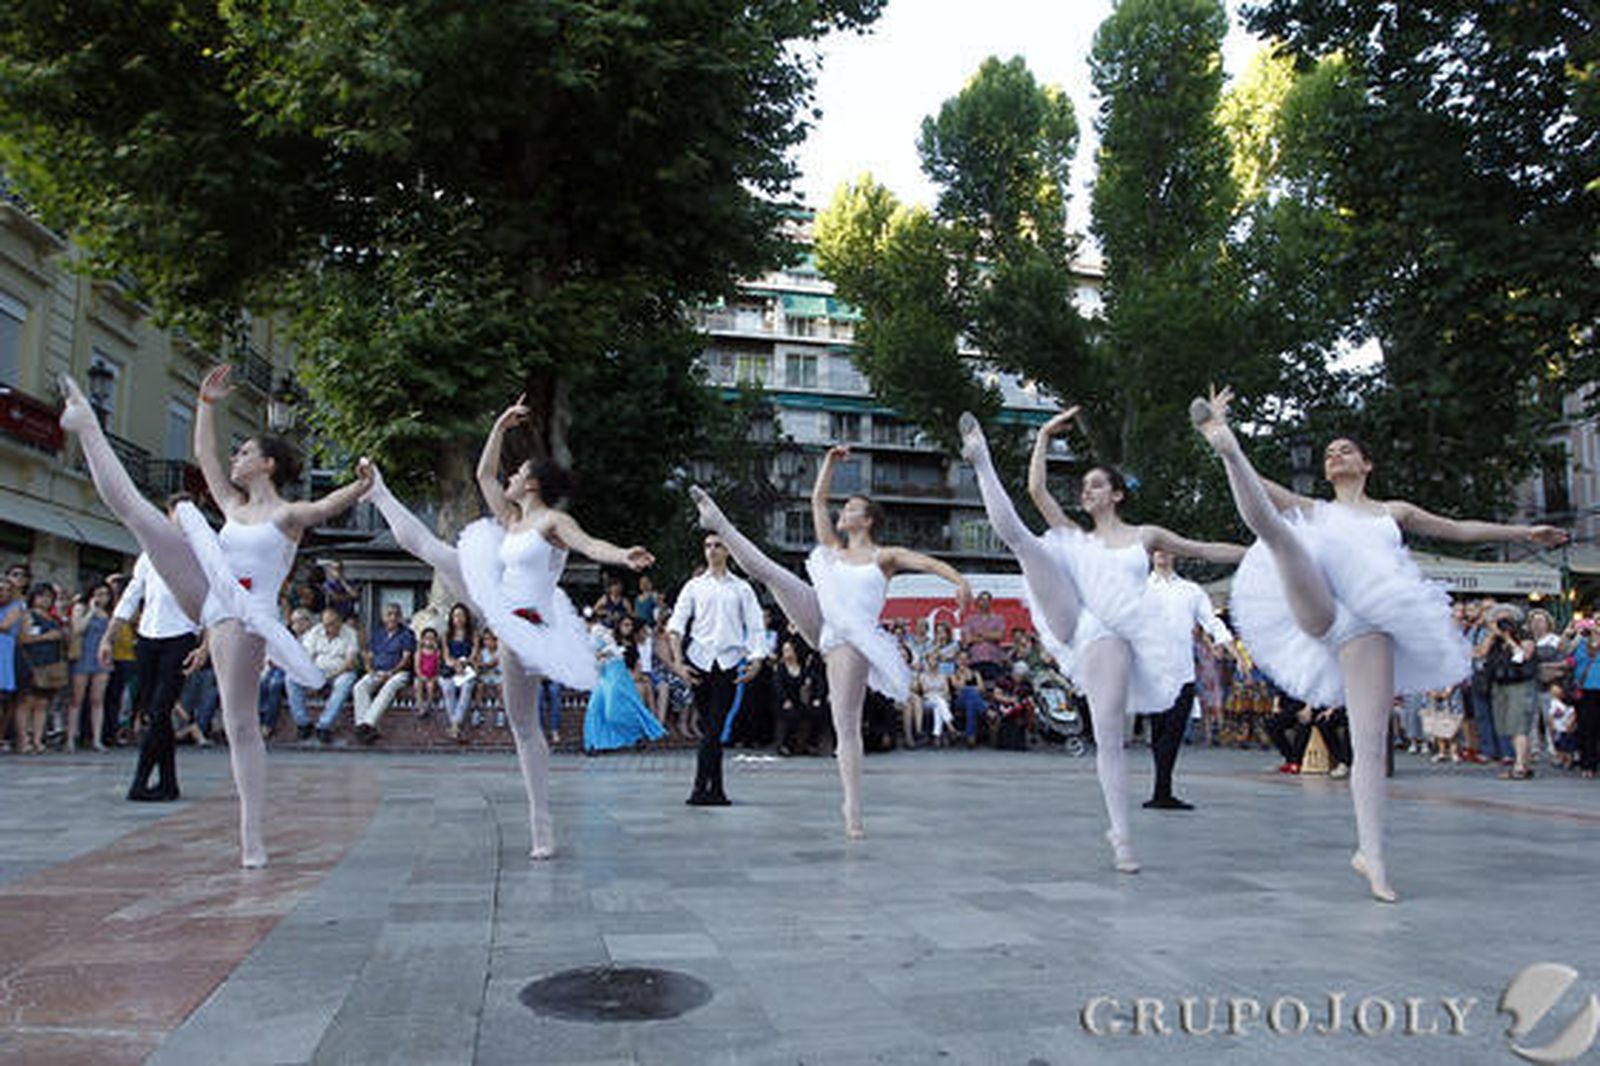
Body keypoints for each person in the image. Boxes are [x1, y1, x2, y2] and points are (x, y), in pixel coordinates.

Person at [1190, 385, 1566, 900]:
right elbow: (1261, 493)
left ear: (1366, 464)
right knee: (1281, 537)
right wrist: (1234, 452)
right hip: (1320, 607)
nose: (1334, 455)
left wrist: (1525, 535)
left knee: (1369, 744)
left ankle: (1372, 855)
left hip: (1372, 626)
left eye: (1345, 449)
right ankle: (1226, 444)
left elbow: (1458, 529)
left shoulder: (1394, 512)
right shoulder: (1316, 507)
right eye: (1328, 454)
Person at [60, 367, 370, 867]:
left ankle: (252, 836)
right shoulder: (228, 505)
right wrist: (205, 402)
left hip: (249, 618)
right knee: (139, 515)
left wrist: (361, 487)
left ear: (267, 464)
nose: (235, 457)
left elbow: (323, 507)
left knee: (240, 723)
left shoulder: (285, 515)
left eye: (244, 451)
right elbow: (204, 456)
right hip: (211, 600)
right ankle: (87, 425)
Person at [359, 393, 653, 857]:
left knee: (523, 726)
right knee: (433, 550)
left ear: (532, 483)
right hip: (498, 606)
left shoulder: (553, 521)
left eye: (518, 474)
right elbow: (483, 475)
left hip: (533, 626)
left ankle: (542, 823)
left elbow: (589, 542)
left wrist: (622, 555)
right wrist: (499, 426)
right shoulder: (511, 520)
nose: (510, 479)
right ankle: (378, 492)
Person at [960, 411, 1242, 874]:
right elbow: (1036, 492)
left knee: (1109, 737)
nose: (1086, 491)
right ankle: (981, 460)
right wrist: (1045, 437)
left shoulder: (1144, 535)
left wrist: (1265, 547)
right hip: (1076, 620)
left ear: (1117, 494)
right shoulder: (1076, 537)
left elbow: (1204, 549)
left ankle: (1121, 834)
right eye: (1084, 486)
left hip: (1115, 635)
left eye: (1095, 485)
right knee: (1025, 543)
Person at [689, 444, 971, 839]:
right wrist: (829, 463)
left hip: (852, 639)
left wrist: (958, 581)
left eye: (852, 507)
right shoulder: (833, 551)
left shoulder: (883, 557)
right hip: (820, 617)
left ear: (868, 519)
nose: (844, 511)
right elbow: (818, 499)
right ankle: (717, 522)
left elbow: (926, 562)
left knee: (846, 725)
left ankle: (852, 807)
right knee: (769, 572)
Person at [666, 532, 768, 808]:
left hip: (729, 664)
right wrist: (678, 663)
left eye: (718, 546)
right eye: (708, 546)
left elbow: (756, 626)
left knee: (714, 727)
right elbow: (675, 625)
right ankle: (717, 790)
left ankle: (701, 788)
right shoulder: (693, 586)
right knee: (711, 728)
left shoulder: (742, 589)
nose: (712, 550)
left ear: (728, 551)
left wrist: (757, 661)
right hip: (698, 662)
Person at [1142, 549, 1236, 810]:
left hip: (1182, 673)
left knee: (1172, 734)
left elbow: (1211, 621)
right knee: (1159, 734)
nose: (1162, 553)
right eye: (1157, 548)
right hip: (1151, 673)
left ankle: (1162, 791)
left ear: (1174, 554)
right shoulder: (1140, 587)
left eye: (1167, 548)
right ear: (1152, 555)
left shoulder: (1191, 590)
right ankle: (1162, 791)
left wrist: (1231, 647)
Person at [583, 616, 666, 752]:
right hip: (603, 677)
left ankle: (638, 735)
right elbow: (595, 655)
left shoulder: (632, 646)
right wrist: (603, 654)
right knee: (595, 708)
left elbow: (637, 666)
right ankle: (595, 743)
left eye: (630, 625)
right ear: (619, 626)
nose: (628, 628)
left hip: (620, 678)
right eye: (625, 624)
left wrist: (635, 676)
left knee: (613, 712)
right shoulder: (607, 638)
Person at [288, 607, 362, 743]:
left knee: (347, 680)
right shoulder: (315, 632)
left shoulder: (350, 633)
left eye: (333, 623)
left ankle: (324, 725)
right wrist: (311, 678)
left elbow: (350, 663)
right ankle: (303, 723)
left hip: (340, 672)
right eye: (326, 624)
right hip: (317, 671)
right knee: (291, 678)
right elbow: (307, 658)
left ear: (340, 622)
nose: (329, 627)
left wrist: (329, 677)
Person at [352, 602, 417, 743]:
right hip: (378, 671)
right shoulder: (378, 634)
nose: (393, 617)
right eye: (389, 614)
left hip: (399, 673)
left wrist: (391, 673)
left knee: (390, 686)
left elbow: (406, 659)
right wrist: (370, 671)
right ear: (383, 617)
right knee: (360, 686)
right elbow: (368, 656)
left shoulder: (407, 634)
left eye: (396, 614)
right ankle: (362, 726)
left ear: (400, 617)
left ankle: (367, 724)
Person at [15, 583, 66, 754]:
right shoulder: (28, 615)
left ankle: (38, 740)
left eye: (49, 596)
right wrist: (47, 637)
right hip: (32, 662)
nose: (45, 600)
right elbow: (23, 638)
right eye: (41, 596)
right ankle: (24, 740)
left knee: (43, 703)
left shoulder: (54, 618)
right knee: (26, 702)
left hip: (50, 663)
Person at [68, 581, 114, 752]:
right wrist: (92, 611)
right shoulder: (81, 608)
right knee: (76, 699)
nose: (103, 598)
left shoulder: (109, 613)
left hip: (102, 658)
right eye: (99, 594)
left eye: (106, 594)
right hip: (83, 655)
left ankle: (97, 739)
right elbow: (78, 629)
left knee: (97, 699)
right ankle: (70, 738)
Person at [438, 603, 478, 741]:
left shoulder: (473, 634)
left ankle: (454, 725)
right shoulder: (446, 635)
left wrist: (463, 663)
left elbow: (474, 655)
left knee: (467, 688)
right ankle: (456, 725)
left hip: (467, 669)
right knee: (447, 688)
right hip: (450, 669)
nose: (458, 618)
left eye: (461, 615)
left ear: (466, 617)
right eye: (455, 615)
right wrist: (455, 665)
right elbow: (446, 656)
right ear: (451, 618)